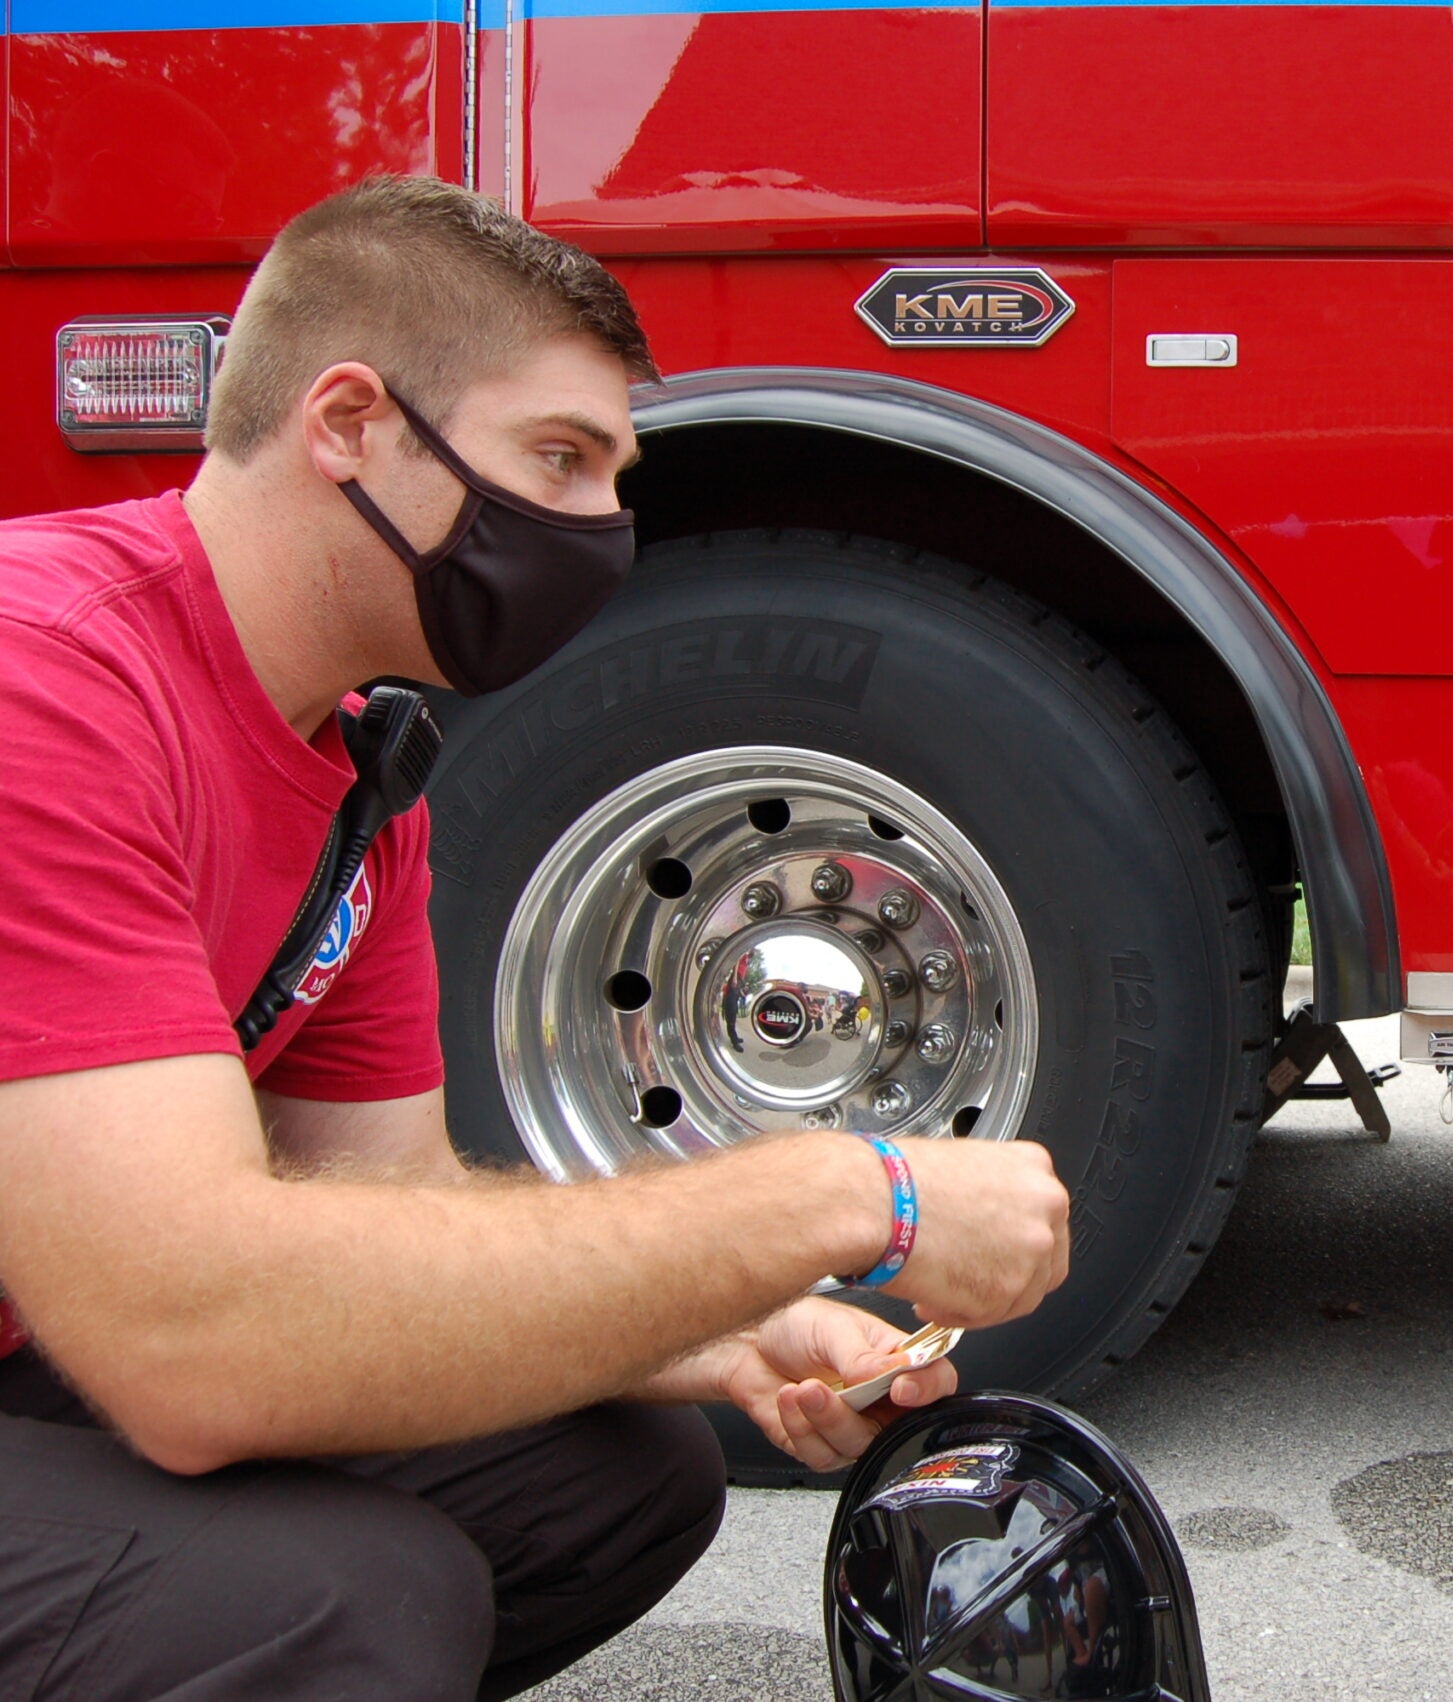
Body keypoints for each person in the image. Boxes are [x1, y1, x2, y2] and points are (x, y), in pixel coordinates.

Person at [0, 176, 1070, 1701]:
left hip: (49, 1325)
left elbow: (391, 1200)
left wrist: (730, 1332)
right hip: (119, 1326)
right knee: (342, 1603)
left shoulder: (360, 771)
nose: (598, 527)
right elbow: (192, 1340)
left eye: (611, 477)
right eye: (556, 459)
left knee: (608, 1472)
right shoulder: (45, 688)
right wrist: (851, 1194)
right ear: (350, 423)